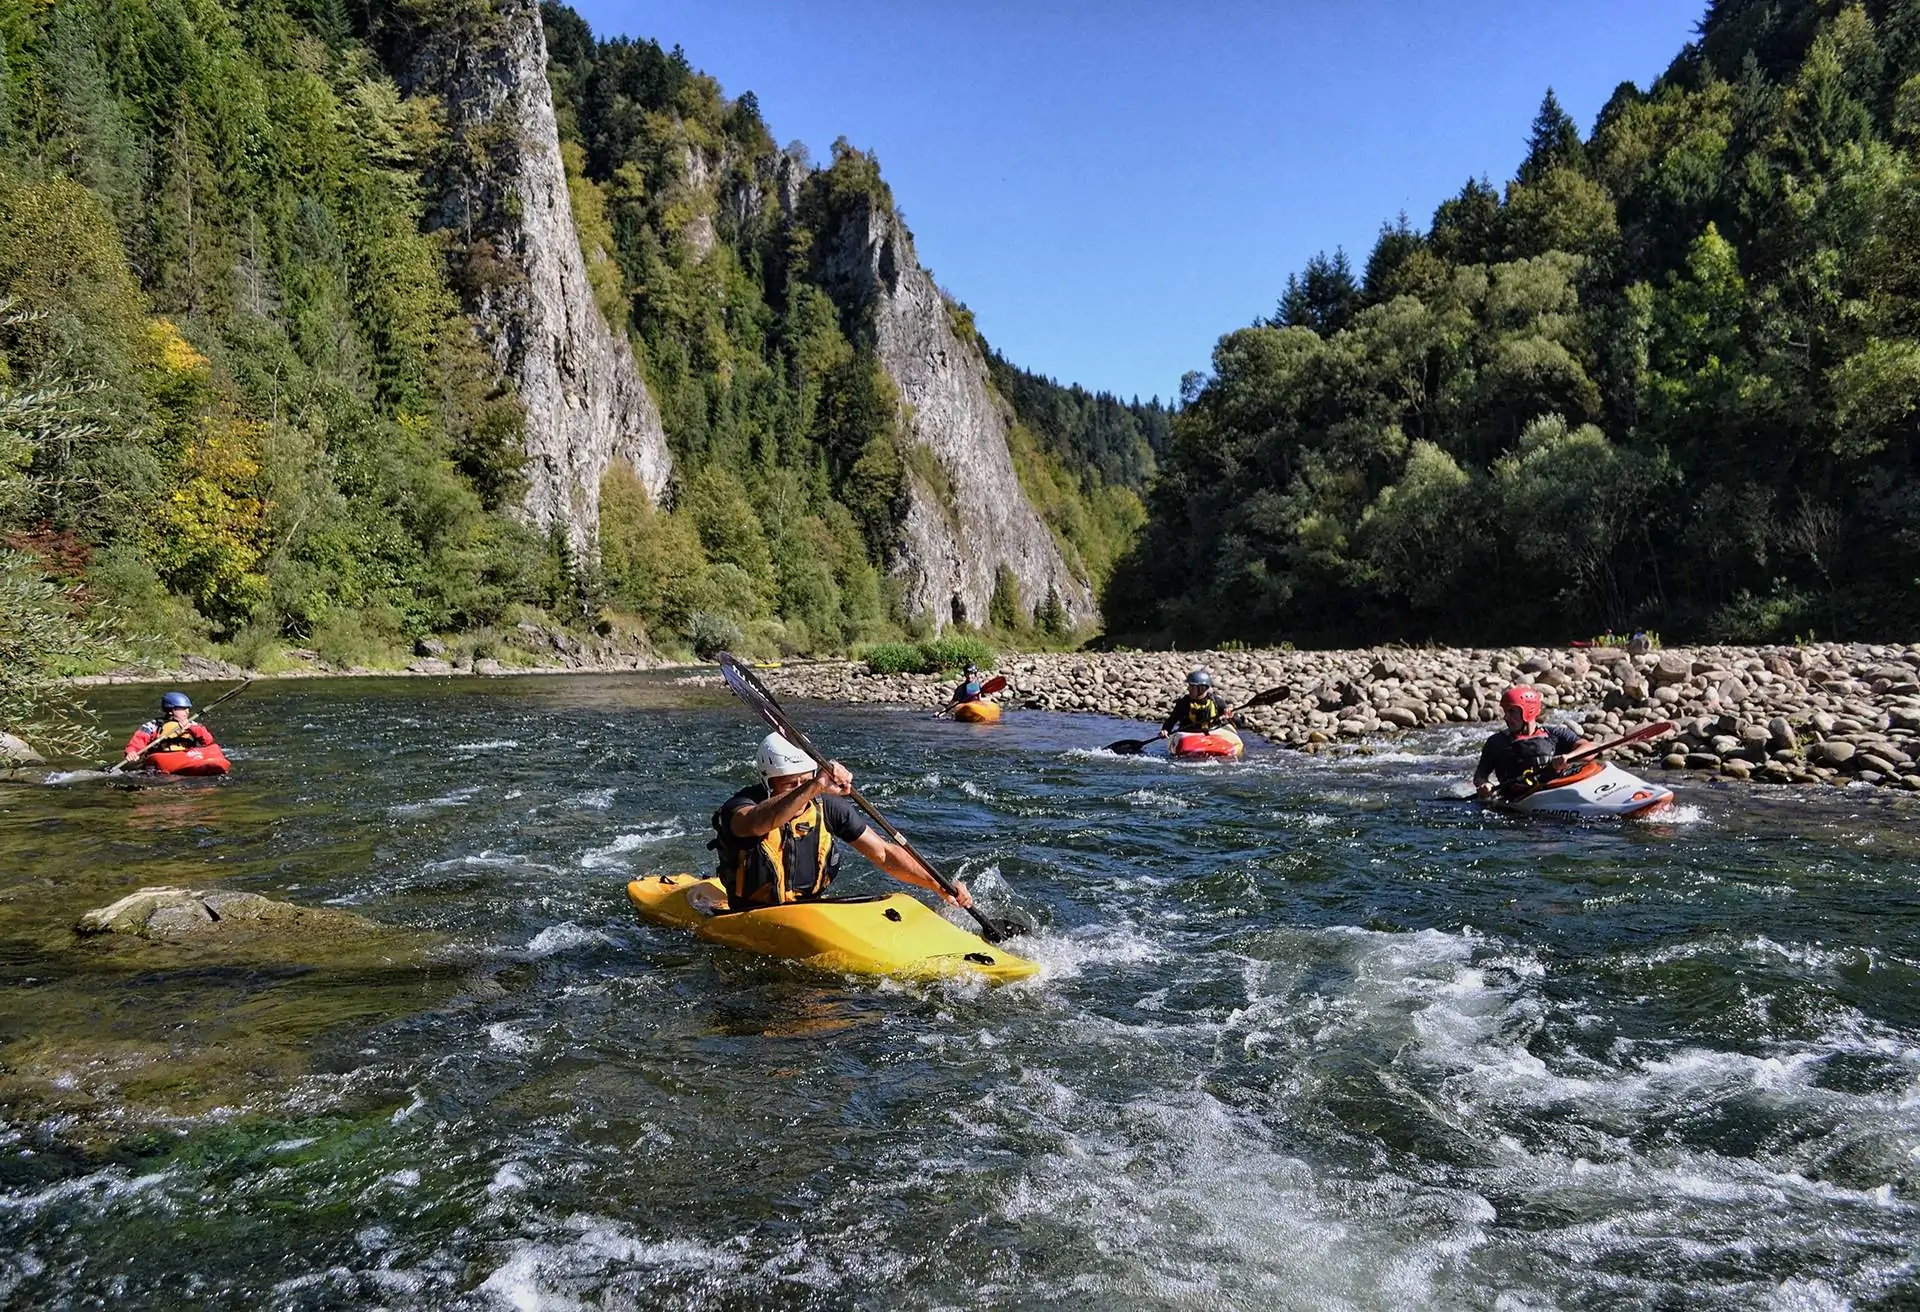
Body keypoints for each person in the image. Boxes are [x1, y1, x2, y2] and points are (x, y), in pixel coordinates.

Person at [711, 732, 973, 911]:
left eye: (806, 780)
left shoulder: (829, 807)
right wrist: (814, 786)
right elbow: (757, 823)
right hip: (750, 914)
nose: (801, 789)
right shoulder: (741, 807)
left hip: (811, 911)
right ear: (768, 782)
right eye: (790, 784)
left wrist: (937, 884)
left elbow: (884, 854)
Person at [1473, 686, 1594, 796]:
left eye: (1512, 712)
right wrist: (1484, 785)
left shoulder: (1555, 734)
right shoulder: (1496, 742)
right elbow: (1480, 775)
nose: (1506, 717)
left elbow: (1590, 749)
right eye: (1506, 712)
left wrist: (1568, 757)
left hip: (1555, 792)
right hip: (1518, 800)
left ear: (1528, 711)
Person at [121, 691, 218, 767]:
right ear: (171, 711)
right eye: (183, 709)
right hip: (162, 760)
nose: (187, 712)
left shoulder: (194, 725)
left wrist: (192, 728)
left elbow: (208, 741)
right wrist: (131, 752)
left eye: (187, 709)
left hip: (188, 757)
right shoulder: (152, 726)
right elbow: (136, 743)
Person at [1158, 669, 1233, 742]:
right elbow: (1172, 720)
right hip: (1189, 734)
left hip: (1213, 732)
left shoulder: (1217, 702)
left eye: (1191, 686)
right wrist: (1165, 730)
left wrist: (1229, 714)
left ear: (1202, 688)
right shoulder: (1184, 703)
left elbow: (1238, 722)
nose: (1188, 689)